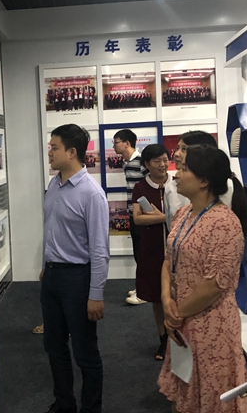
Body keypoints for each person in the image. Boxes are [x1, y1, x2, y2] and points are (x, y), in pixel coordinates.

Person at [158, 144, 247, 413]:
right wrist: (167, 301)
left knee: (213, 394)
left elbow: (215, 285)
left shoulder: (225, 223)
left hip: (211, 323)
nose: (176, 174)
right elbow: (168, 260)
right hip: (182, 318)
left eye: (184, 169)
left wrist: (177, 313)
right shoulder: (183, 214)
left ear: (203, 180)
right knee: (187, 391)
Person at [40, 123, 109, 413]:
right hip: (52, 277)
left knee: (84, 352)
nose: (49, 152)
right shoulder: (54, 184)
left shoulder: (92, 194)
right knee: (54, 348)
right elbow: (51, 228)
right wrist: (45, 265)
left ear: (71, 152)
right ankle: (64, 405)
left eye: (54, 147)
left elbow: (100, 250)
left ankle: (91, 409)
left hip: (77, 280)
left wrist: (96, 294)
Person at [131, 144, 171, 359]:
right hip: (152, 248)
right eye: (157, 161)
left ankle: (179, 338)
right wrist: (167, 217)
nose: (162, 165)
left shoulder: (176, 183)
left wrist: (157, 217)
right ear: (147, 164)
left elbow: (188, 214)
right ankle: (163, 338)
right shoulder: (140, 187)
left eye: (165, 160)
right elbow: (138, 219)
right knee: (157, 296)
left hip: (176, 248)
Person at [113, 129, 149, 305]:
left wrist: (147, 212)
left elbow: (151, 186)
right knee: (138, 253)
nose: (114, 146)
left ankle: (144, 293)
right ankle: (142, 287)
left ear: (127, 143)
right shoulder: (126, 163)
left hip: (144, 217)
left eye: (116, 142)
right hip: (133, 215)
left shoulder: (141, 162)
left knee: (144, 254)